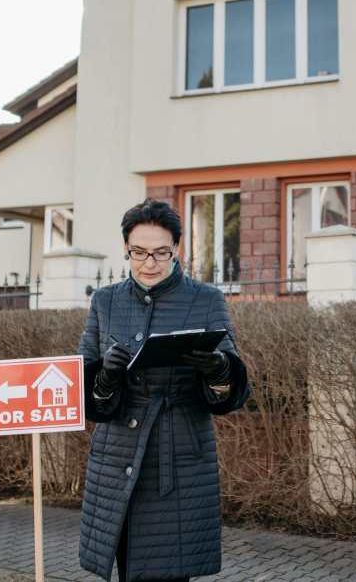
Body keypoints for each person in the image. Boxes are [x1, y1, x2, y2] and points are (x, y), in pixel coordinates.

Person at [77, 199, 251, 582]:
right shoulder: (105, 302)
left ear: (177, 249)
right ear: (126, 248)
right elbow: (83, 385)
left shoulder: (206, 300)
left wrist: (218, 371)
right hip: (115, 458)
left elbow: (232, 388)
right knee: (126, 571)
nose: (149, 263)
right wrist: (105, 380)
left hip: (179, 461)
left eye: (161, 252)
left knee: (170, 574)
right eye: (138, 252)